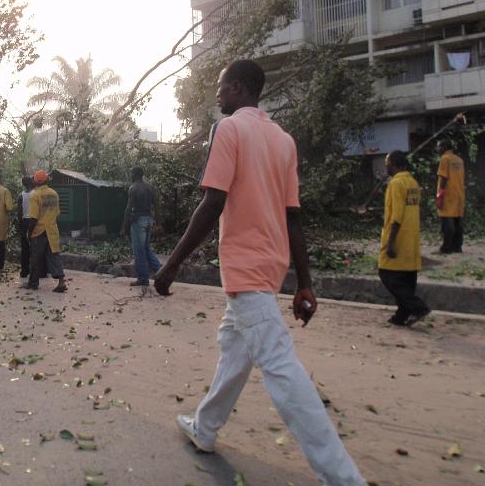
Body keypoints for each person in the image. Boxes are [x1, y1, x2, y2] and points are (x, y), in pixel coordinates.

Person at [154, 60, 365, 486]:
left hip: (246, 265)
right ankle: (205, 428)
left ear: (237, 87)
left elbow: (212, 203)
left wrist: (171, 266)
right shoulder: (283, 140)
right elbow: (294, 218)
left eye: (220, 88)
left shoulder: (229, 130)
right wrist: (303, 281)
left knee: (279, 365)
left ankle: (343, 478)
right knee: (234, 347)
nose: (217, 96)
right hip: (271, 264)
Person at [379, 150, 430, 327]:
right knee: (408, 278)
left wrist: (391, 242)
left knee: (386, 273)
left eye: (387, 161)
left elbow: (397, 216)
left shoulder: (396, 183)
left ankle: (418, 307)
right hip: (412, 239)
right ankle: (401, 315)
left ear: (395, 164)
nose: (385, 165)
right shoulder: (413, 183)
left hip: (398, 238)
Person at [23, 170, 66, 293]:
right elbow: (57, 213)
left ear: (35, 181)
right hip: (52, 229)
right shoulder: (54, 193)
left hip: (40, 230)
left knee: (36, 257)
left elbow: (33, 218)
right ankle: (61, 281)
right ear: (46, 180)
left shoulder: (35, 195)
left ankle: (33, 283)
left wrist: (29, 232)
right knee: (54, 255)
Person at [121, 167, 161, 290]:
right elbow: (157, 205)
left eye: (131, 173)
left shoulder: (133, 188)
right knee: (146, 248)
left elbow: (128, 209)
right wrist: (158, 222)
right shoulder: (149, 187)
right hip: (149, 219)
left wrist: (123, 227)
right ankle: (161, 272)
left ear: (135, 174)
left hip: (138, 220)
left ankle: (143, 279)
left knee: (139, 251)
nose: (130, 175)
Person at [436, 139, 465, 254]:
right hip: (459, 193)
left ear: (444, 147)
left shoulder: (445, 159)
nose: (437, 149)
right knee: (458, 220)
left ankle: (446, 248)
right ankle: (457, 247)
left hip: (448, 194)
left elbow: (443, 177)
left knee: (447, 221)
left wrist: (440, 195)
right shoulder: (459, 160)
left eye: (438, 146)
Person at [17, 176, 35, 278]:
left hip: (25, 221)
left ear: (23, 184)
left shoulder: (21, 196)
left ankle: (24, 271)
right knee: (35, 247)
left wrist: (20, 225)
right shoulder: (36, 194)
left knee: (25, 248)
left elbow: (19, 212)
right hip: (34, 221)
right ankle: (37, 270)